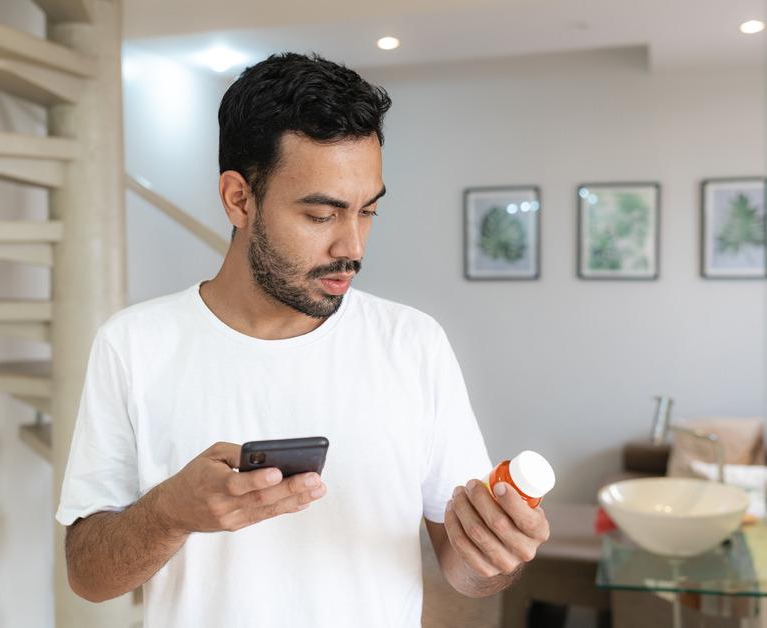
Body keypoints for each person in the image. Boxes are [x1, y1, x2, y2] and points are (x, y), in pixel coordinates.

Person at [57, 52, 550, 627]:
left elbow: (465, 573)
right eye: (322, 215)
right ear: (238, 198)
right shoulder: (135, 345)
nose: (353, 247)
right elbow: (88, 577)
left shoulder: (413, 344)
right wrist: (169, 512)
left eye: (367, 211)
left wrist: (499, 552)